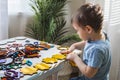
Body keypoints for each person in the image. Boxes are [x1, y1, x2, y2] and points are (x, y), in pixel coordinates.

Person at [61, 3, 111, 80]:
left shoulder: (97, 50)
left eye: (77, 30)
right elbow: (87, 42)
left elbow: (89, 73)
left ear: (88, 29)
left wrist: (75, 58)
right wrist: (74, 46)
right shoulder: (100, 36)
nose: (77, 33)